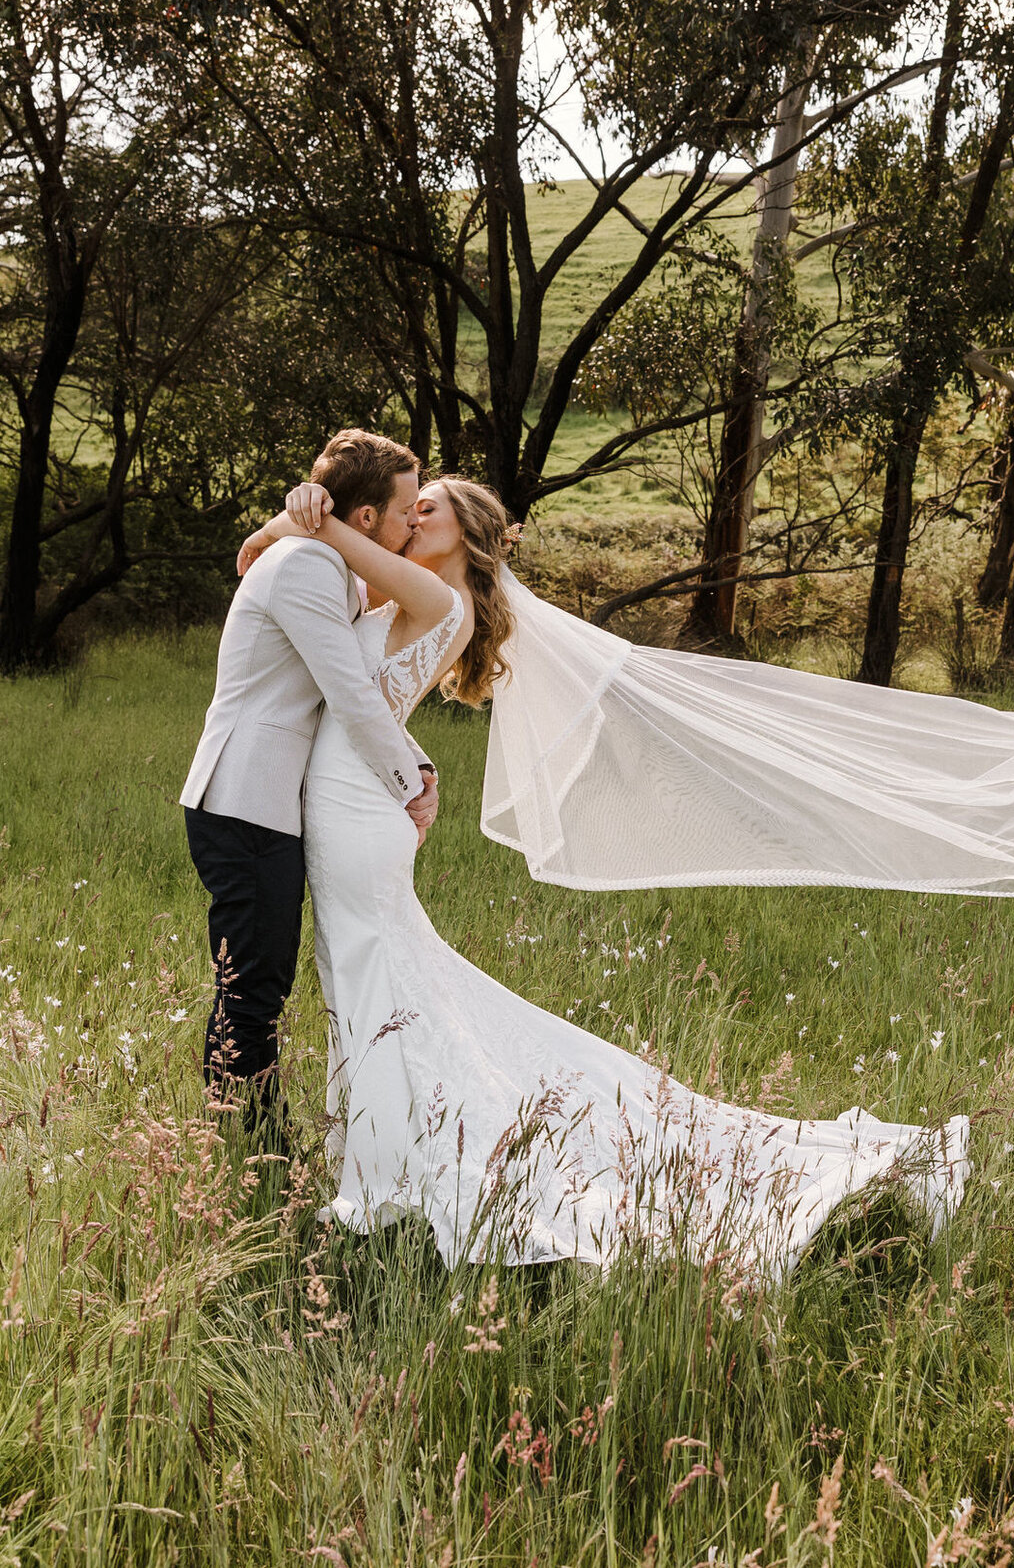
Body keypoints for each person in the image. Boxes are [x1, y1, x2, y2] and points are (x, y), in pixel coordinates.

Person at [230, 472, 968, 1273]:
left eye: (427, 506)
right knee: (369, 970)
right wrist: (295, 517)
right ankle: (382, 1161)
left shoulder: (441, 601)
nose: (413, 514)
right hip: (353, 805)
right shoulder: (409, 592)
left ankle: (392, 1174)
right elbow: (269, 567)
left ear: (464, 533)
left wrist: (315, 511)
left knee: (378, 969)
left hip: (362, 818)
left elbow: (335, 555)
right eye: (411, 505)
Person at [179, 429, 438, 1143]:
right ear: (365, 519)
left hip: (266, 807)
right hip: (243, 803)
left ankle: (250, 1137)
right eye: (406, 508)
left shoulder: (329, 565)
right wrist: (408, 780)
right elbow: (350, 694)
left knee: (262, 984)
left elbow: (349, 694)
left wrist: (420, 764)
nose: (414, 520)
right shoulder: (305, 567)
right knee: (253, 989)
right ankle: (246, 1144)